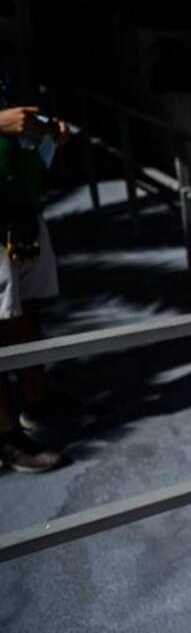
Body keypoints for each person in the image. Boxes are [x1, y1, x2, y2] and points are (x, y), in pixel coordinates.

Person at [0, 103, 71, 472]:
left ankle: (36, 400)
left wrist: (44, 131)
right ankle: (6, 440)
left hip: (17, 203)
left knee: (25, 307)